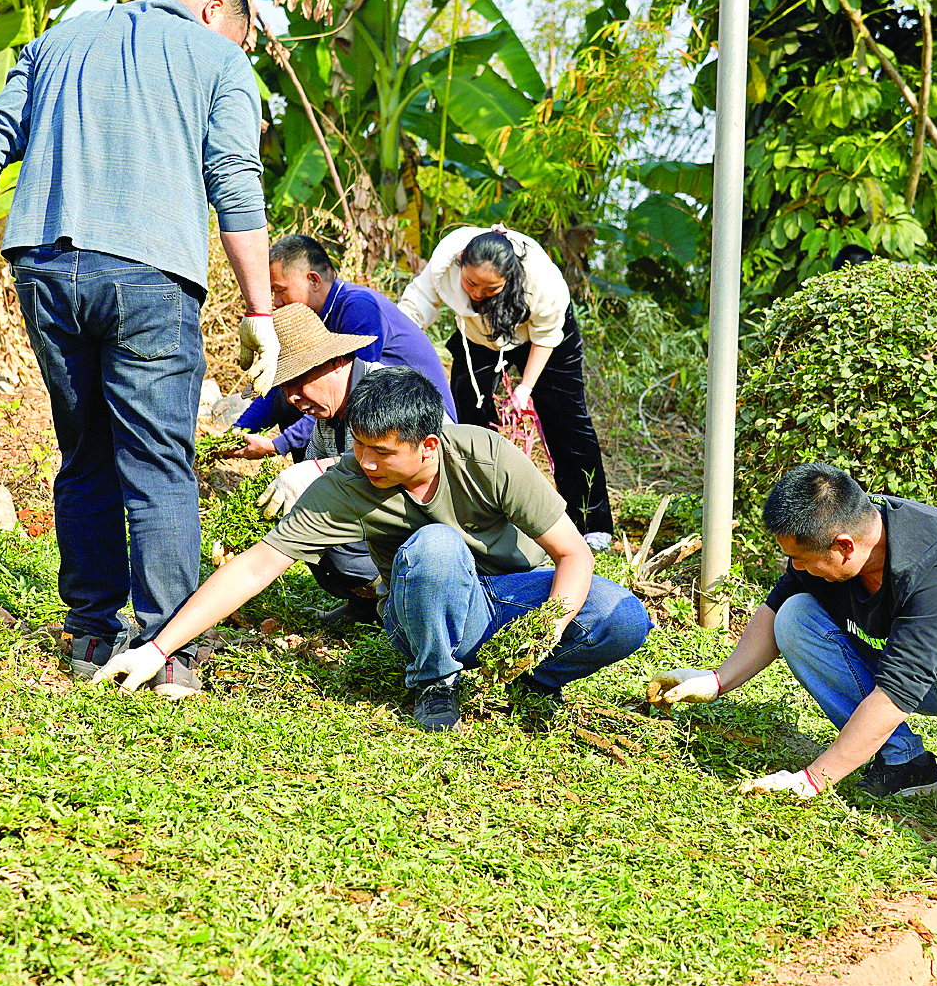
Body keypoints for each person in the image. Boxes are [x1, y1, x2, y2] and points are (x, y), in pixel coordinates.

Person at [0, 0, 277, 682]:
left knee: (84, 453)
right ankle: (170, 657)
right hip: (149, 277)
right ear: (216, 11)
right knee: (157, 462)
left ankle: (90, 638)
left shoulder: (61, 38)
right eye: (237, 36)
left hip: (46, 270)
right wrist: (261, 309)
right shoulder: (220, 60)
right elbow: (235, 179)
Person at [96, 367, 653, 731]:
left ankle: (526, 684)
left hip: (509, 600)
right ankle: (436, 683)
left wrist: (547, 628)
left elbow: (575, 555)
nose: (365, 461)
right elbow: (260, 563)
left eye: (381, 452)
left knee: (624, 616)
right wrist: (157, 650)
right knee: (435, 547)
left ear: (429, 445)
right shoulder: (350, 478)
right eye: (358, 445)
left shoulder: (487, 456)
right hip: (417, 609)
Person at [649, 464, 937, 799]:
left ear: (844, 547)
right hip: (933, 673)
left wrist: (812, 780)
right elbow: (778, 604)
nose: (796, 568)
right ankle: (906, 765)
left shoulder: (936, 562)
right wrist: (716, 680)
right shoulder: (841, 527)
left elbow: (899, 688)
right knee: (796, 616)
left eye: (802, 559)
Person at [398, 224, 615, 549]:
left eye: (490, 289)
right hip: (479, 337)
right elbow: (415, 308)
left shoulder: (541, 280)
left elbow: (546, 338)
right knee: (467, 422)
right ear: (460, 261)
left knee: (567, 424)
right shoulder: (447, 258)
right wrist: (392, 343)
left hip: (545, 340)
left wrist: (525, 388)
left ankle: (589, 522)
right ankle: (475, 518)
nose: (476, 294)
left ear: (509, 279)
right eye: (471, 283)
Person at [233, 232, 450, 463]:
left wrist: (279, 445)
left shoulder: (358, 308)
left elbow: (357, 387)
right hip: (367, 414)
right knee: (289, 399)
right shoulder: (317, 318)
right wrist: (238, 433)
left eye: (280, 290)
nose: (276, 302)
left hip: (414, 418)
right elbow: (281, 385)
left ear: (313, 280)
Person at [243, 303, 397, 626]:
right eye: (285, 388)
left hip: (420, 531)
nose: (293, 398)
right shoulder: (326, 418)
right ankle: (363, 606)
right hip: (377, 530)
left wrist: (315, 470)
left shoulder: (385, 392)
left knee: (331, 534)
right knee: (303, 518)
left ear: (337, 362)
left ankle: (395, 601)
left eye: (299, 381)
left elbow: (403, 465)